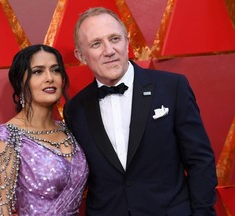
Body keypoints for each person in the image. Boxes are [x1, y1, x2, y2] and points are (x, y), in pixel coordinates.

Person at [63, 7, 217, 216]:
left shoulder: (172, 88)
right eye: (96, 44)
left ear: (127, 42)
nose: (109, 50)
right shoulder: (75, 109)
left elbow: (200, 161)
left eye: (115, 39)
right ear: (81, 55)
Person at [0, 44, 88, 216]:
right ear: (20, 82)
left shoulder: (68, 129)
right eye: (38, 72)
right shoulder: (7, 137)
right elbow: (0, 212)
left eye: (55, 70)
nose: (50, 78)